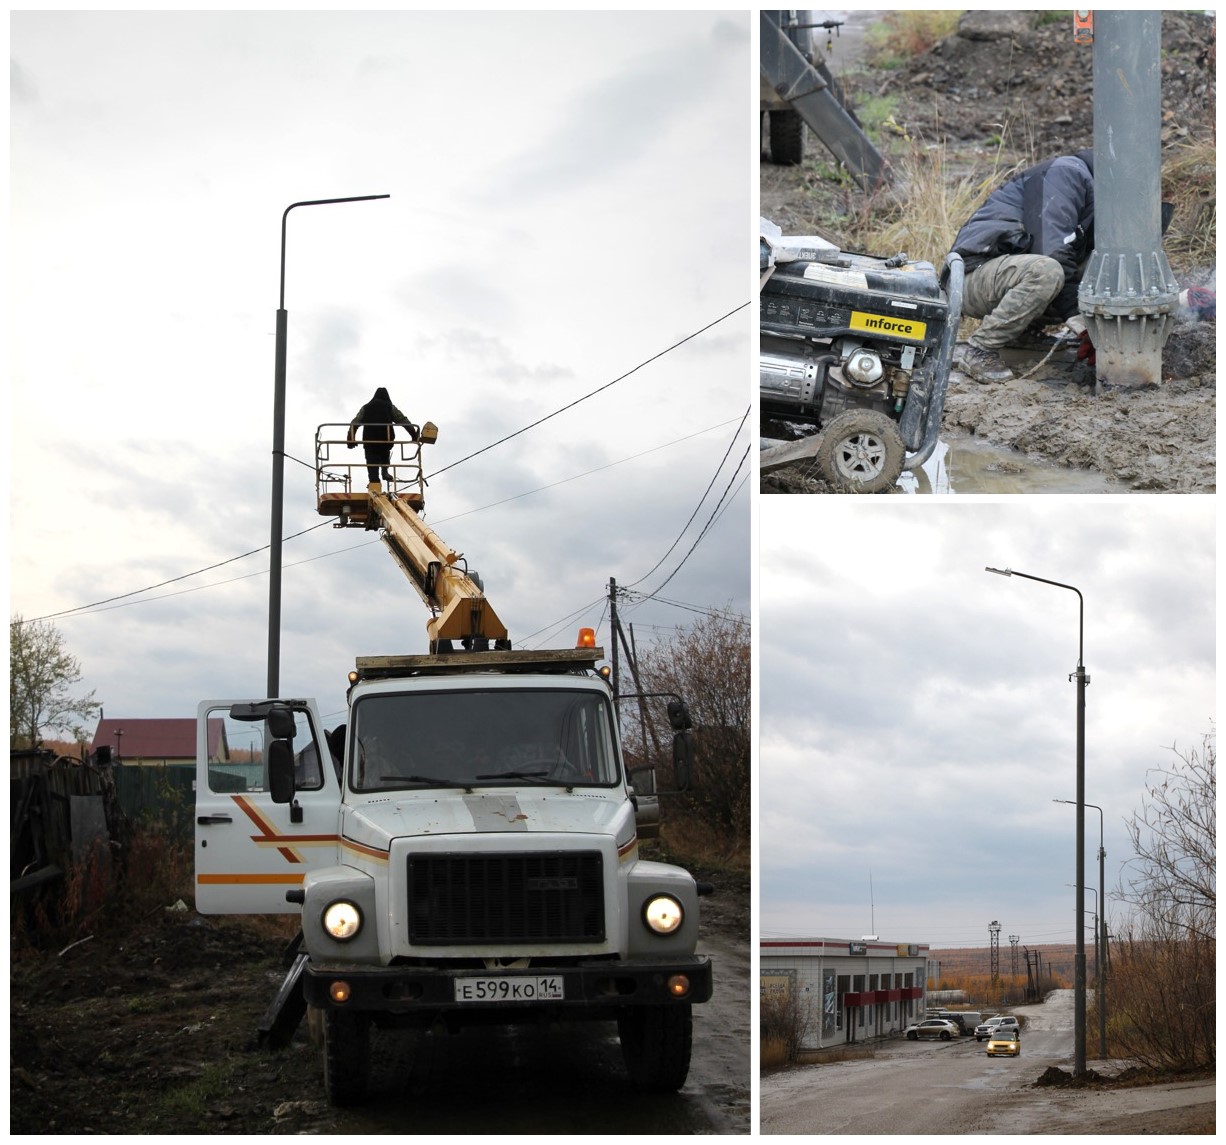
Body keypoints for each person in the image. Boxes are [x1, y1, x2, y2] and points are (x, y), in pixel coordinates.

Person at [949, 151, 1096, 384]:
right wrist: (1079, 319)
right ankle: (980, 349)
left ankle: (1019, 336)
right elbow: (1050, 250)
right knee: (1046, 271)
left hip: (1006, 272)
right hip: (971, 277)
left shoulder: (1094, 188)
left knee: (1090, 273)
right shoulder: (1068, 173)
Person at [346, 387, 419, 487]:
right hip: (385, 439)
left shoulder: (366, 407)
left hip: (369, 441)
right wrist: (414, 435)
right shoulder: (389, 407)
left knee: (371, 462)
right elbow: (403, 420)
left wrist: (351, 439)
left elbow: (354, 424)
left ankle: (374, 481)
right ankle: (385, 471)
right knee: (385, 454)